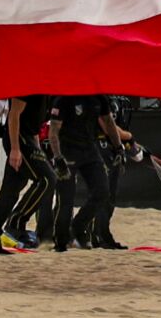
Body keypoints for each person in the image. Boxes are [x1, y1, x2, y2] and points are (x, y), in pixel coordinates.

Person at [49, 95, 131, 251]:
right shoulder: (64, 99)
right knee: (66, 198)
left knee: (102, 191)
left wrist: (119, 148)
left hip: (89, 149)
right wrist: (58, 158)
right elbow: (53, 130)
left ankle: (78, 226)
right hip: (67, 150)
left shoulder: (99, 97)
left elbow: (108, 122)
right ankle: (60, 241)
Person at [0, 92, 57, 253]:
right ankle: (16, 222)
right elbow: (14, 115)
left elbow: (35, 128)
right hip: (19, 138)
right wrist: (15, 149)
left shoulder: (46, 93)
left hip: (28, 138)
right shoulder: (29, 83)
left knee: (10, 192)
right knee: (47, 179)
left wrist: (38, 151)